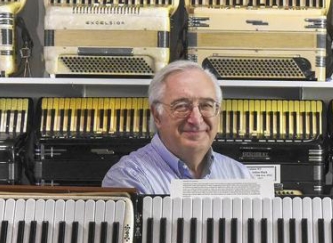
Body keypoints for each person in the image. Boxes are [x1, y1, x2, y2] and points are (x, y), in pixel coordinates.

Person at [102, 60, 252, 194]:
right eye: (181, 106)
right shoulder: (127, 178)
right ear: (157, 115)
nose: (196, 120)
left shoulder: (242, 175)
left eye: (206, 105)